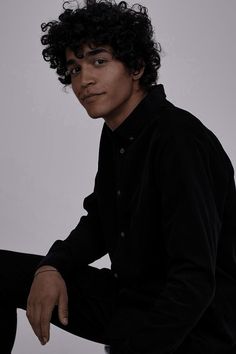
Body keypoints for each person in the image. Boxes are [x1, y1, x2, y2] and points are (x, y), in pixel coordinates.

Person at [1, 0, 236, 353]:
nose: (85, 79)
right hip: (129, 301)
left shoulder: (179, 139)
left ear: (136, 66)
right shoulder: (118, 133)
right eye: (74, 68)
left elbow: (195, 281)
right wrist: (50, 267)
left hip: (193, 327)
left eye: (99, 61)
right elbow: (100, 222)